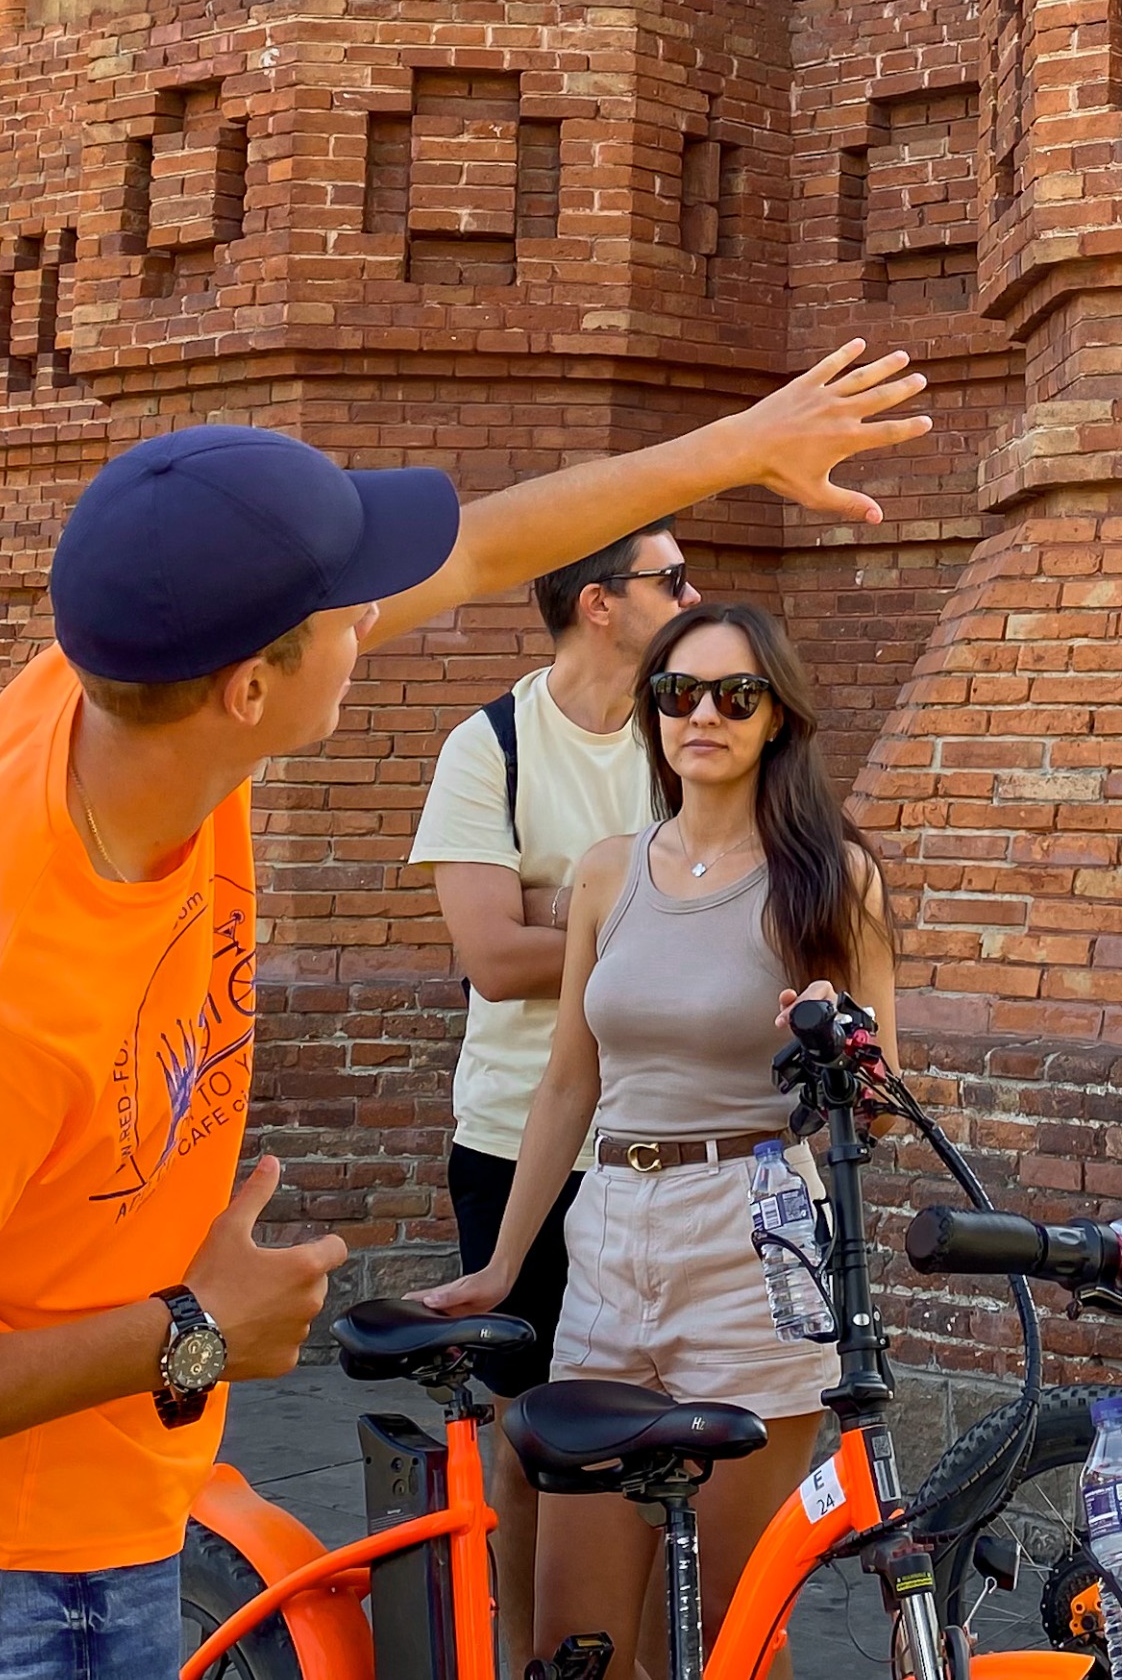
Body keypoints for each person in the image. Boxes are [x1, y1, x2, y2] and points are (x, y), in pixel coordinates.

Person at [0, 341, 927, 1680]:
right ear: (254, 686)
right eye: (349, 608)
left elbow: (482, 548)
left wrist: (740, 445)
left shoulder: (132, 683)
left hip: (116, 1503)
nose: (381, 615)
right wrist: (192, 1330)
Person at [417, 600, 898, 1664]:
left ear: (778, 716)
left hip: (754, 1243)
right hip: (611, 1234)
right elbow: (567, 1083)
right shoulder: (606, 871)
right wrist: (502, 1266)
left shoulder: (830, 879)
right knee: (577, 1637)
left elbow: (877, 1102)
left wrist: (831, 1055)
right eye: (679, 694)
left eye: (736, 695)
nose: (704, 716)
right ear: (654, 714)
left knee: (725, 1633)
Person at [408, 520, 700, 1655]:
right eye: (670, 577)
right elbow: (487, 955)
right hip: (511, 1141)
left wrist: (566, 919)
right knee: (532, 1439)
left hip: (657, 1135)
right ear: (598, 601)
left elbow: (733, 911)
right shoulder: (493, 746)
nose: (693, 592)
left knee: (646, 1441)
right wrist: (641, 917)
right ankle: (531, 1660)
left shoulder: (685, 733)